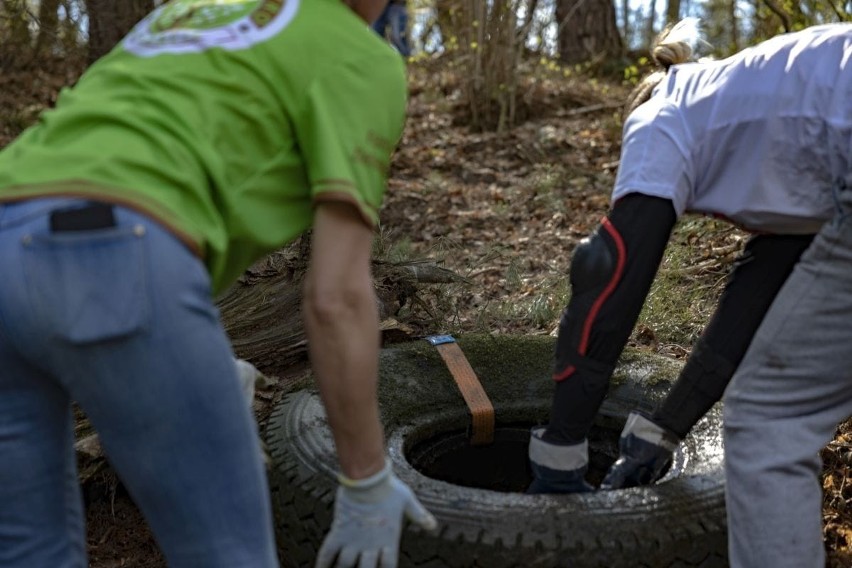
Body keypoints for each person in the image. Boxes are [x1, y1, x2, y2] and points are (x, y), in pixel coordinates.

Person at [0, 1, 436, 567]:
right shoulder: (362, 58)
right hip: (116, 256)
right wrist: (367, 481)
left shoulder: (190, 9)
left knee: (28, 551)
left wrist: (198, 353)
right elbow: (336, 298)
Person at [525, 21, 851, 568]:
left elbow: (610, 271)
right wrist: (664, 430)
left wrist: (561, 447)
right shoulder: (761, 106)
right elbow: (759, 292)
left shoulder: (662, 112)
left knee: (769, 423)